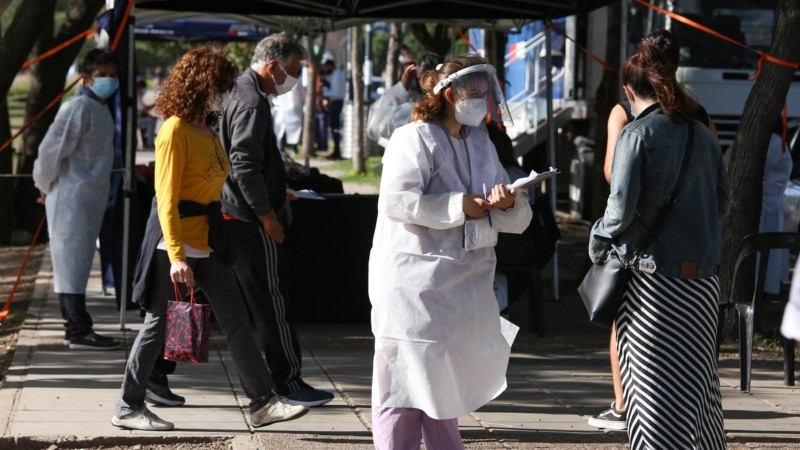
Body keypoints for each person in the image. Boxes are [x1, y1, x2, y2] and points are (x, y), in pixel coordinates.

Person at [112, 46, 308, 431]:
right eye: (220, 86)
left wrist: (276, 191)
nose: (225, 94)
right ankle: (128, 406)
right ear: (203, 85)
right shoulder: (174, 130)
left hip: (208, 241)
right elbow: (166, 198)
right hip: (174, 243)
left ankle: (262, 402)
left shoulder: (208, 128)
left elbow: (218, 181)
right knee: (158, 324)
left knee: (236, 321)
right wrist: (176, 257)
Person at [369, 55, 532, 449]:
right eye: (473, 91)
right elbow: (397, 201)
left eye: (484, 91)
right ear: (448, 94)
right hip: (416, 284)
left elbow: (515, 214)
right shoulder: (413, 138)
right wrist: (460, 205)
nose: (481, 98)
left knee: (444, 387)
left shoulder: (480, 142)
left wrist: (507, 202)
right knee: (403, 386)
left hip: (463, 283)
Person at [589, 42, 729, 449]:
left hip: (653, 287)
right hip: (702, 285)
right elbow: (723, 202)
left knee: (650, 390)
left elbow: (619, 210)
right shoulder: (702, 133)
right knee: (696, 388)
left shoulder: (636, 134)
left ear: (629, 92)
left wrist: (597, 241)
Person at [220, 33, 334, 407]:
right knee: (271, 302)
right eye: (293, 70)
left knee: (245, 303)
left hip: (236, 211)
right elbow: (243, 164)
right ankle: (288, 381)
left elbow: (245, 161)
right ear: (272, 66)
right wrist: (267, 215)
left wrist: (275, 186)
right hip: (249, 219)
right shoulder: (251, 101)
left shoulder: (238, 91)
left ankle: (152, 375)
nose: (293, 79)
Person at [32, 48, 121, 351]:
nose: (108, 80)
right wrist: (43, 184)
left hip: (89, 196)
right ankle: (78, 328)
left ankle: (77, 326)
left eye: (112, 75)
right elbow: (50, 151)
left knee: (78, 262)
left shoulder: (101, 108)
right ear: (86, 78)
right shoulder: (77, 107)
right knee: (69, 263)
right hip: (70, 195)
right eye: (101, 75)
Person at [367, 52, 444, 147]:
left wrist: (402, 86)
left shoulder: (417, 111)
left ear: (420, 80)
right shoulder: (452, 106)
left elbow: (375, 125)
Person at [759, 119, 793, 297]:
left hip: (764, 204)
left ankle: (761, 284)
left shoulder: (766, 143)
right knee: (773, 252)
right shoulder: (781, 144)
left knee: (762, 250)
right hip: (776, 203)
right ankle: (770, 285)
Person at [320, 56, 346, 159]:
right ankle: (336, 149)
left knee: (335, 127)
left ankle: (337, 151)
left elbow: (335, 92)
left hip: (336, 103)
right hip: (336, 102)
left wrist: (325, 91)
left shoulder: (336, 75)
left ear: (330, 66)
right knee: (334, 127)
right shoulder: (338, 74)